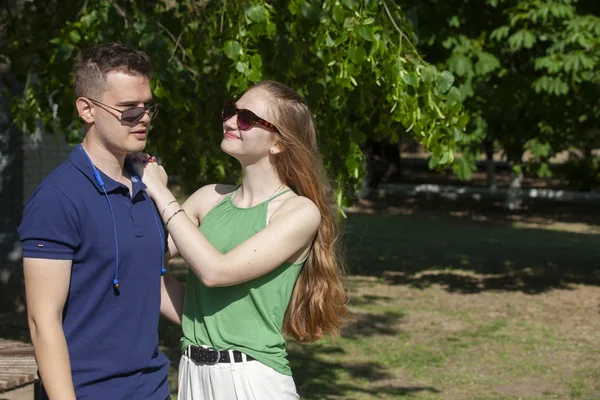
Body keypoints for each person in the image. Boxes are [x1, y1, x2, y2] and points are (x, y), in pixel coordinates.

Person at [131, 80, 349, 399]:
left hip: (250, 379)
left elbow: (216, 271)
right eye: (231, 110)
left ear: (278, 143)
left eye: (246, 118)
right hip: (192, 373)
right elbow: (146, 264)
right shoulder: (208, 199)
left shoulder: (299, 212)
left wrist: (161, 192)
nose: (231, 121)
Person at [17, 42, 184, 400]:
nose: (144, 118)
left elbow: (151, 282)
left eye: (148, 107)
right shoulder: (57, 199)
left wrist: (226, 324)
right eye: (128, 110)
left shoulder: (147, 186)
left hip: (153, 390)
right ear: (87, 110)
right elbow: (42, 322)